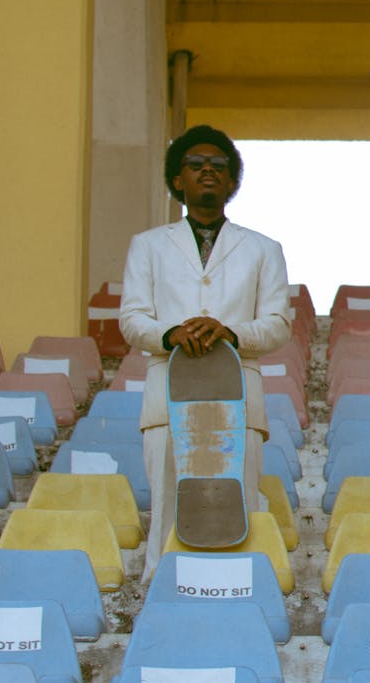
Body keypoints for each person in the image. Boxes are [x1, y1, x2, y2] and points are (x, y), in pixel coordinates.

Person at [119, 125, 291, 573]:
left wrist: (230, 333)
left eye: (219, 166)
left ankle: (234, 606)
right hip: (167, 398)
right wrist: (171, 333)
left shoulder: (263, 248)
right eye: (195, 165)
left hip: (239, 399)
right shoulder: (148, 245)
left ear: (233, 182)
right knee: (167, 513)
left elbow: (277, 325)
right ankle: (162, 604)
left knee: (239, 511)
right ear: (178, 180)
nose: (208, 172)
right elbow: (132, 319)